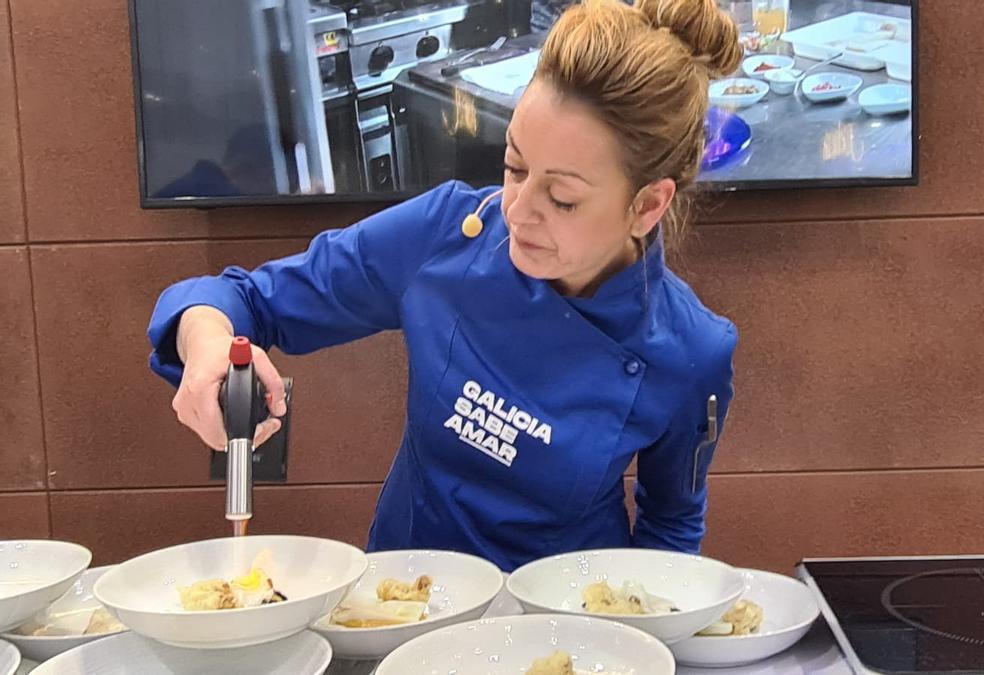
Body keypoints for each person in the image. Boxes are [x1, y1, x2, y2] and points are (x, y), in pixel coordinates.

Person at [147, 0, 743, 572]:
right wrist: (205, 339)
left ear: (647, 206)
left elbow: (670, 533)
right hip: (404, 608)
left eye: (561, 198)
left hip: (562, 632)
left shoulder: (692, 351)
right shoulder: (446, 234)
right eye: (513, 167)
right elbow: (246, 300)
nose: (518, 210)